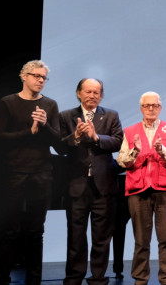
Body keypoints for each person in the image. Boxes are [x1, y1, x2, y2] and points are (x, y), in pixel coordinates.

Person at [0, 60, 60, 285]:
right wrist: (29, 131)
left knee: (35, 232)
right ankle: (2, 279)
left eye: (44, 77)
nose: (40, 80)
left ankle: (34, 281)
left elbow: (59, 143)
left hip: (41, 174)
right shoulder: (8, 102)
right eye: (36, 76)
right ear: (24, 76)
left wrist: (45, 125)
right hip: (14, 173)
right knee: (10, 230)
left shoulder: (50, 105)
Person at [58, 78, 124, 285]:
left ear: (101, 95)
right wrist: (76, 137)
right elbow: (60, 146)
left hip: (104, 184)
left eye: (96, 92)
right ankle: (74, 276)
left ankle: (98, 277)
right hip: (76, 184)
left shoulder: (111, 115)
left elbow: (118, 142)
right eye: (87, 91)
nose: (92, 95)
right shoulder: (66, 116)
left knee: (102, 236)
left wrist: (97, 138)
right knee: (76, 235)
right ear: (79, 93)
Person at [116, 91, 166, 285]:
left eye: (154, 105)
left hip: (165, 189)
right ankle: (140, 278)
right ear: (141, 108)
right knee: (141, 240)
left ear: (160, 108)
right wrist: (135, 150)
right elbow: (121, 161)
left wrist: (163, 151)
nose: (151, 109)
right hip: (138, 190)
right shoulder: (129, 131)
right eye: (146, 106)